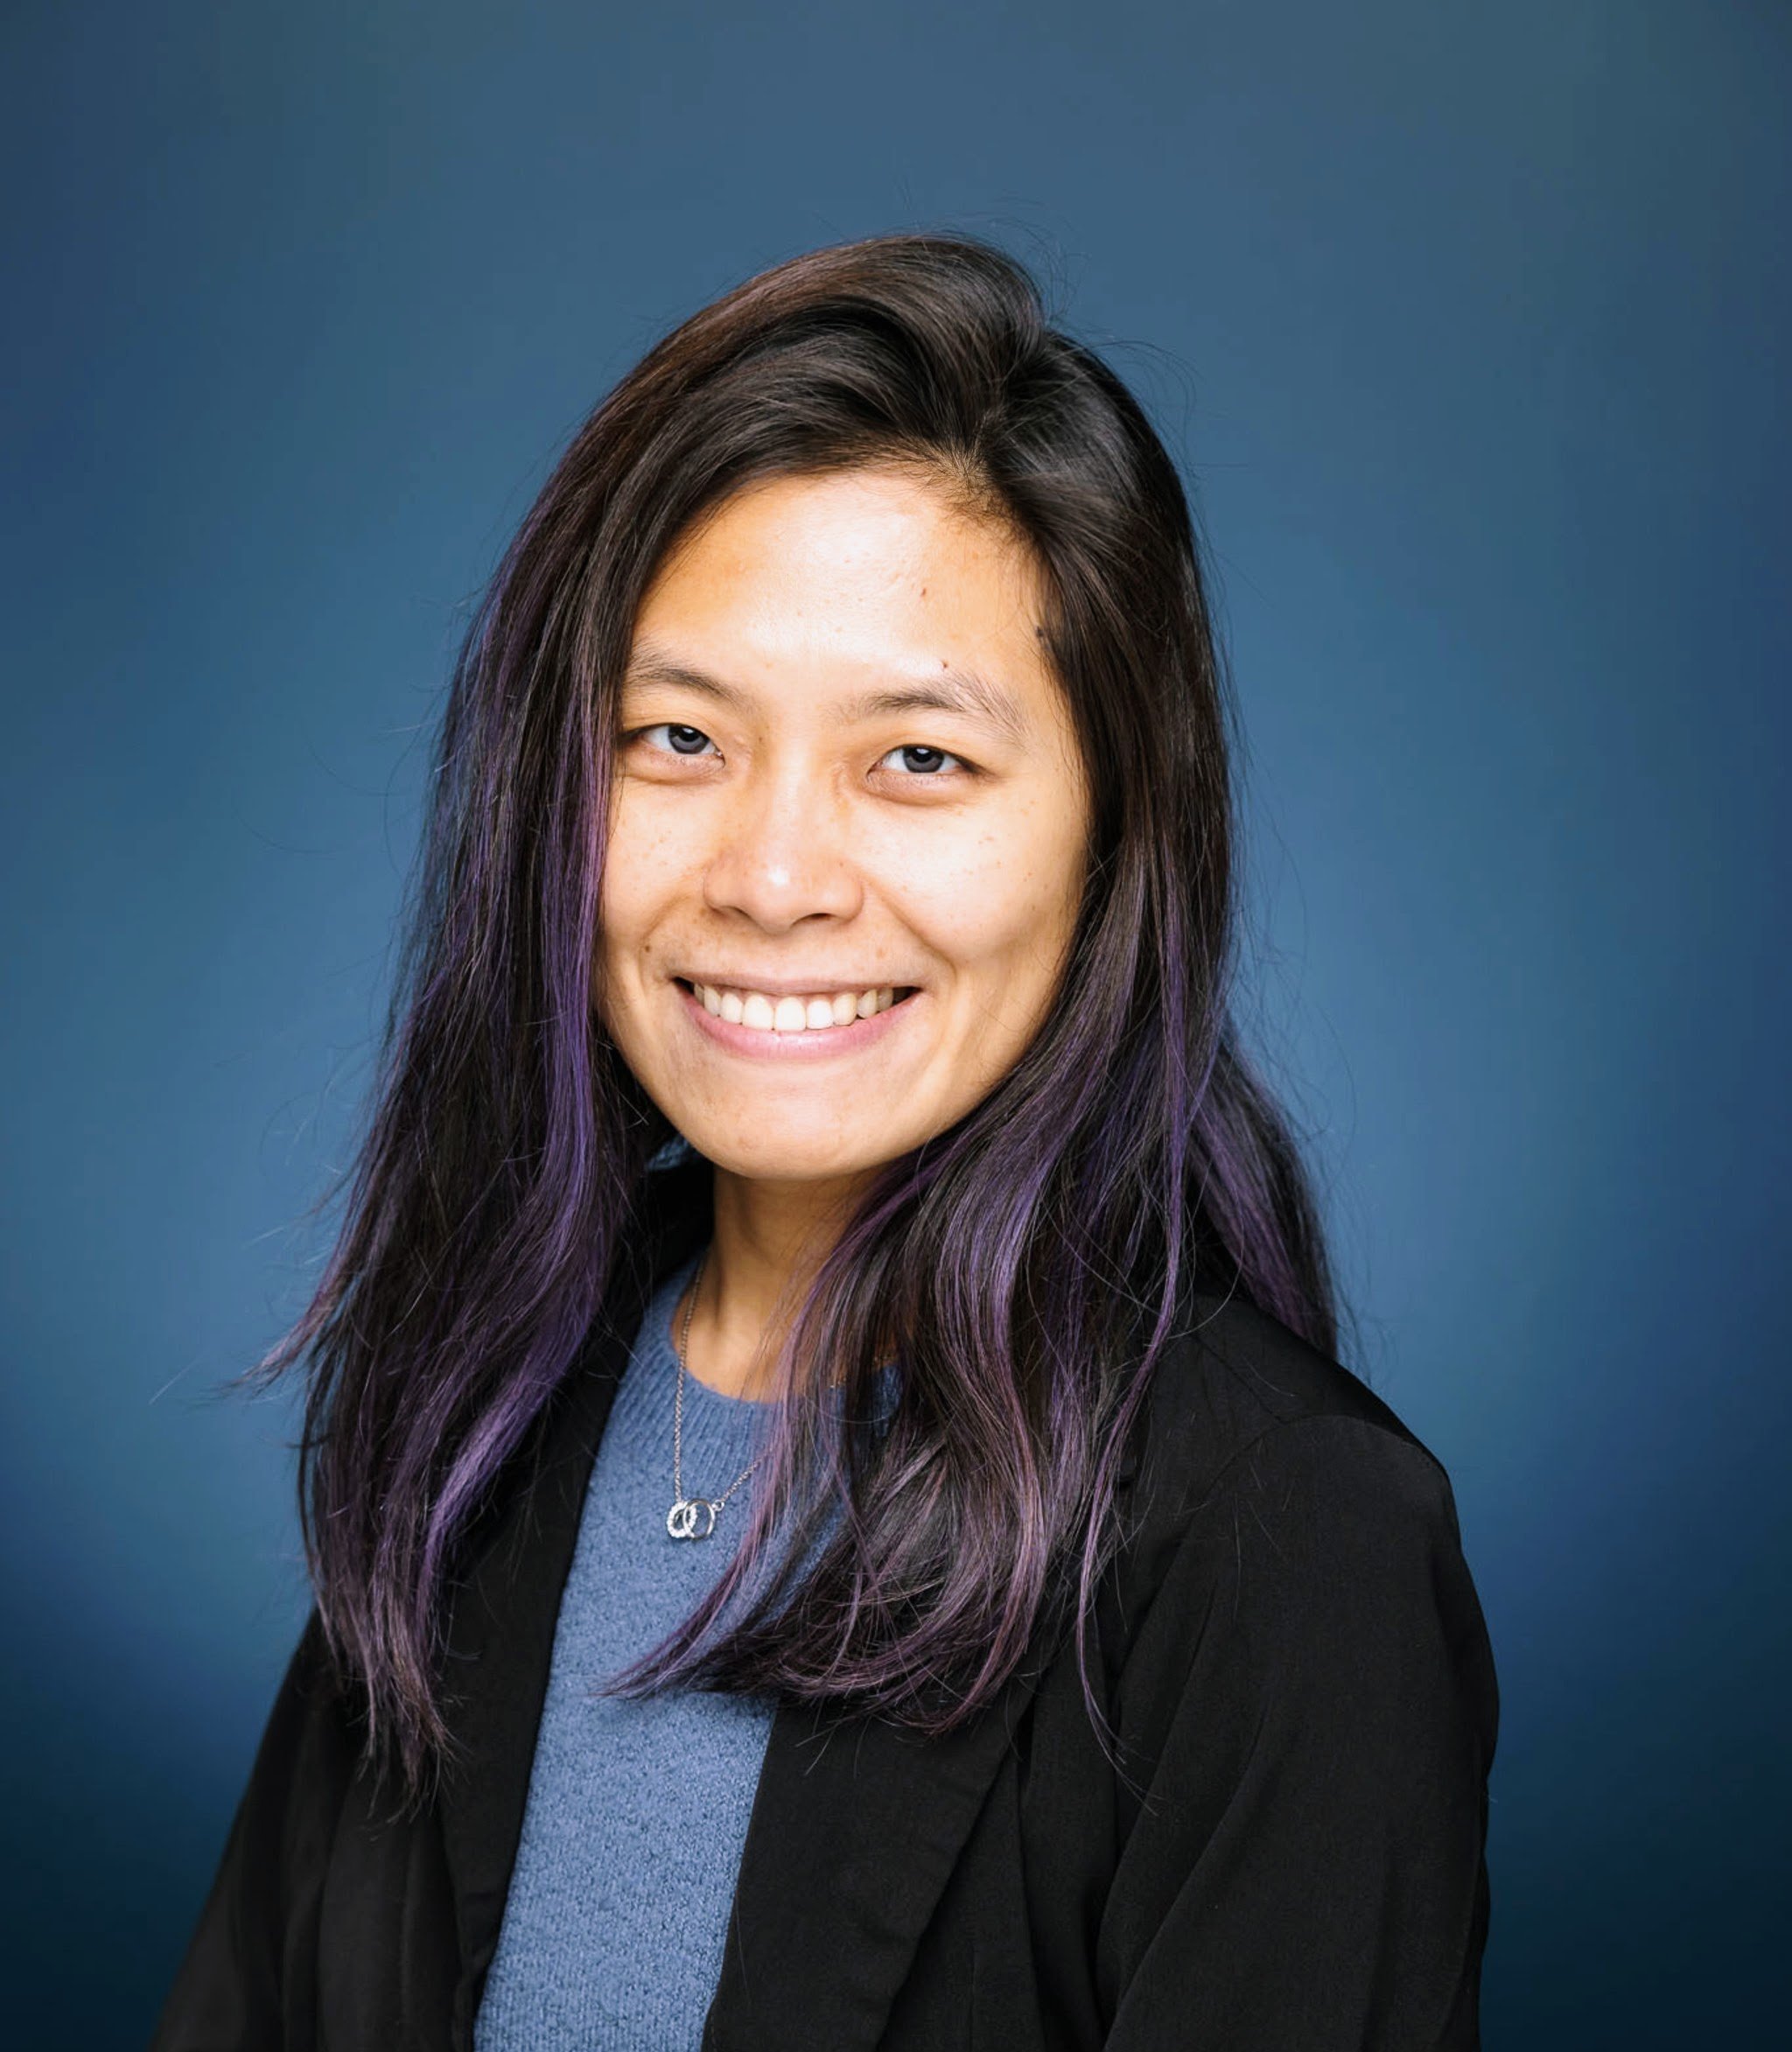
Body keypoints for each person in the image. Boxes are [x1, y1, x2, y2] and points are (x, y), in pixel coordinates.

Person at [151, 233, 1498, 2052]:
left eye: (916, 759)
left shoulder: (1288, 1541)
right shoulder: (486, 1392)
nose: (772, 880)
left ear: (1114, 836)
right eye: (676, 736)